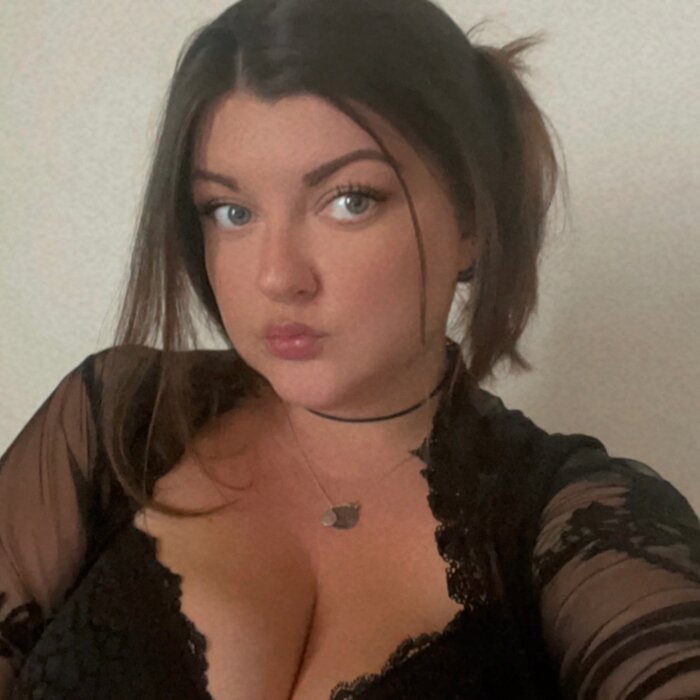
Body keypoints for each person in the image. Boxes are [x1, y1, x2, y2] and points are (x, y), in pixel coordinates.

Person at [1, 0, 699, 697]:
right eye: (232, 212)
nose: (278, 276)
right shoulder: (115, 423)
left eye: (349, 201)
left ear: (470, 219)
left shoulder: (580, 520)